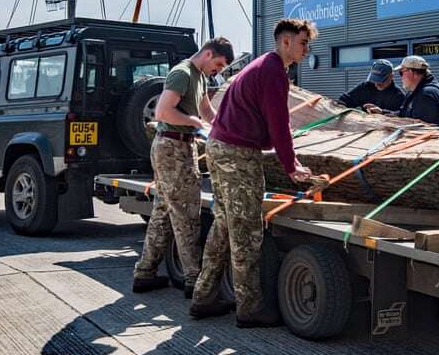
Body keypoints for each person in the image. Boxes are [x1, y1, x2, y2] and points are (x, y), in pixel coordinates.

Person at [189, 18, 317, 327]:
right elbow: (279, 124)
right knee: (246, 229)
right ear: (285, 42)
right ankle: (249, 308)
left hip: (220, 147)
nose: (306, 49)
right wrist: (292, 165)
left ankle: (203, 297)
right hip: (237, 153)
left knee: (224, 223)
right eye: (303, 43)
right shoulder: (272, 72)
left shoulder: (261, 66)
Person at [133, 37, 234, 296]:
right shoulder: (182, 73)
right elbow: (163, 113)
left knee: (164, 211)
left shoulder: (199, 76)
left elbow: (207, 111)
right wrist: (194, 123)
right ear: (208, 54)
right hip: (172, 147)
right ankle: (194, 281)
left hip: (180, 146)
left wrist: (227, 127)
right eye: (219, 64)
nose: (218, 71)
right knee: (186, 213)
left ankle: (144, 273)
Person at [366, 55, 439, 127]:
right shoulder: (414, 92)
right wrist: (382, 112)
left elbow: (421, 128)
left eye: (401, 72)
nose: (400, 77)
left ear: (411, 72)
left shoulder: (426, 94)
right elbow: (403, 114)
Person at [337, 59, 404, 112]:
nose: (377, 84)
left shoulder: (399, 96)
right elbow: (344, 100)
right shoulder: (365, 87)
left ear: (391, 76)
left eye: (381, 80)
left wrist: (382, 112)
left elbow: (400, 116)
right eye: (374, 79)